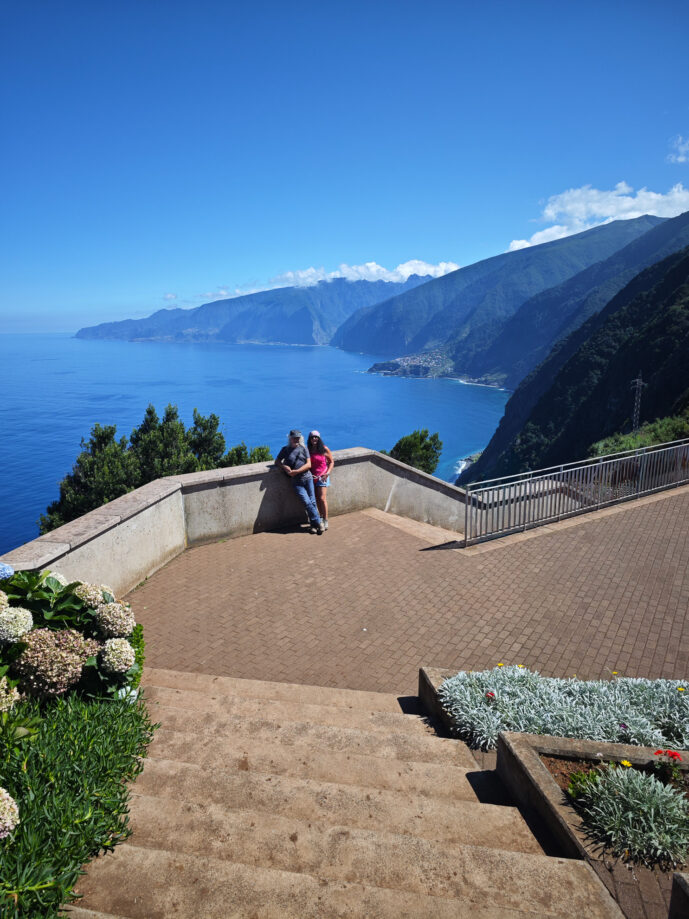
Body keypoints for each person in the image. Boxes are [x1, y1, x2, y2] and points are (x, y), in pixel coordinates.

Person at [275, 430, 323, 534]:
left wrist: (296, 471)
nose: (296, 439)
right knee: (307, 502)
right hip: (296, 481)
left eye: (298, 438)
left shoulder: (304, 449)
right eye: (294, 438)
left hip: (307, 477)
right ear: (290, 438)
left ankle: (313, 525)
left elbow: (309, 464)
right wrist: (284, 466)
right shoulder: (285, 450)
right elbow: (277, 461)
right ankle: (319, 523)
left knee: (312, 501)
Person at [308, 430, 334, 531]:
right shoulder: (308, 450)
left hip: (323, 477)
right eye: (312, 437)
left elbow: (331, 462)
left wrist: (328, 473)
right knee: (316, 499)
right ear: (309, 439)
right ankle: (320, 518)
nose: (314, 439)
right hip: (312, 477)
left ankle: (325, 520)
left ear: (319, 438)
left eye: (316, 437)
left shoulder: (324, 449)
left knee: (322, 498)